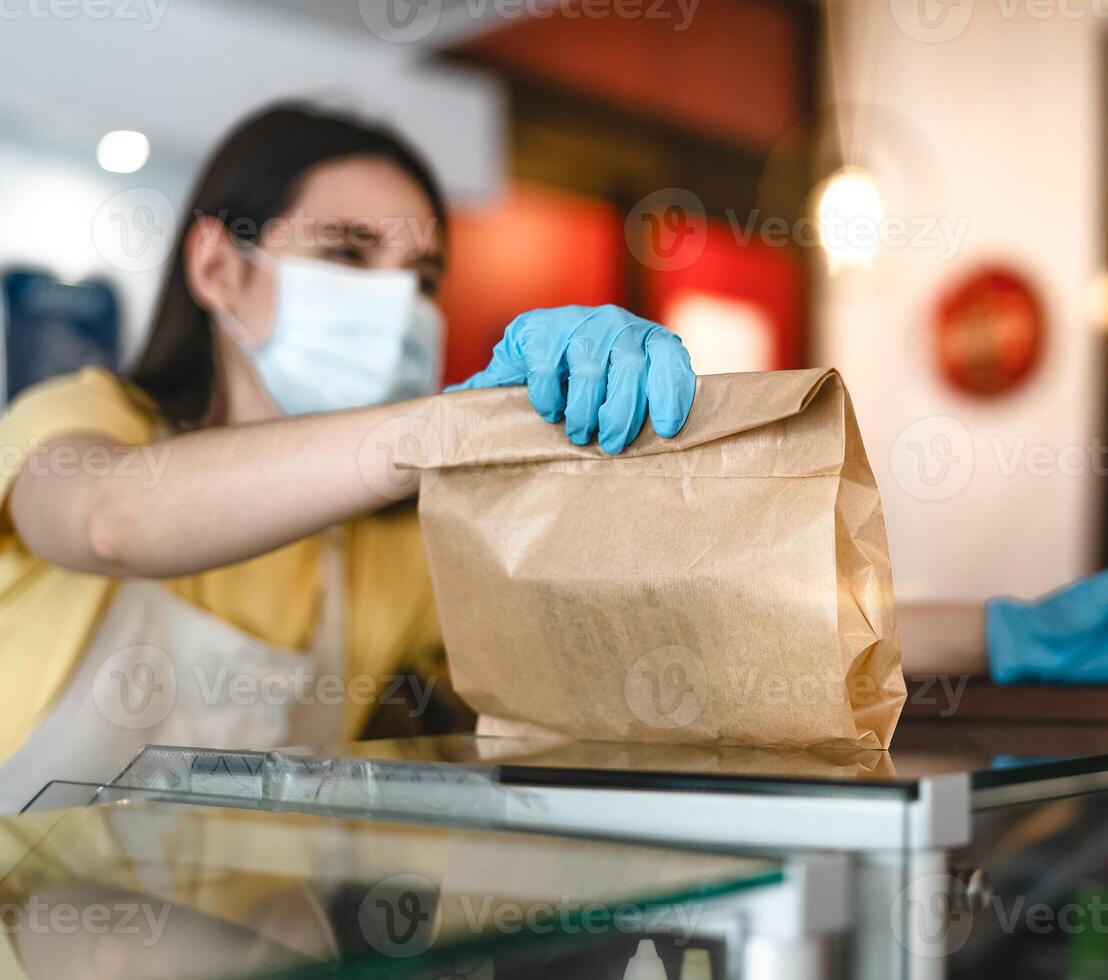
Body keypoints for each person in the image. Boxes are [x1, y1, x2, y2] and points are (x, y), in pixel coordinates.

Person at [0, 103, 695, 811]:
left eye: (422, 278)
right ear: (217, 268)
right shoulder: (84, 417)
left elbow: (595, 688)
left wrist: (625, 458)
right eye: (347, 253)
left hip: (250, 926)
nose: (397, 303)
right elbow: (109, 520)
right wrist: (437, 430)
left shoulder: (392, 546)